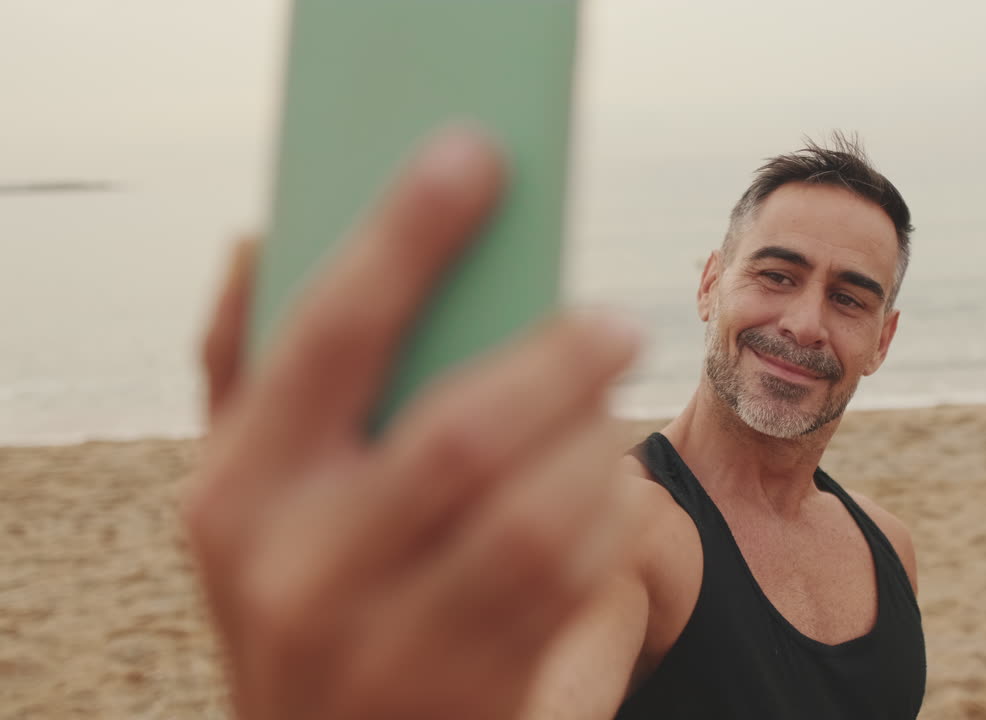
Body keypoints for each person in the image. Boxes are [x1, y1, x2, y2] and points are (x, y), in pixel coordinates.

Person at [184, 127, 924, 720]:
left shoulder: (886, 545)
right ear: (710, 286)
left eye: (849, 299)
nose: (804, 323)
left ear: (882, 341)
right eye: (776, 275)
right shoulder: (626, 531)